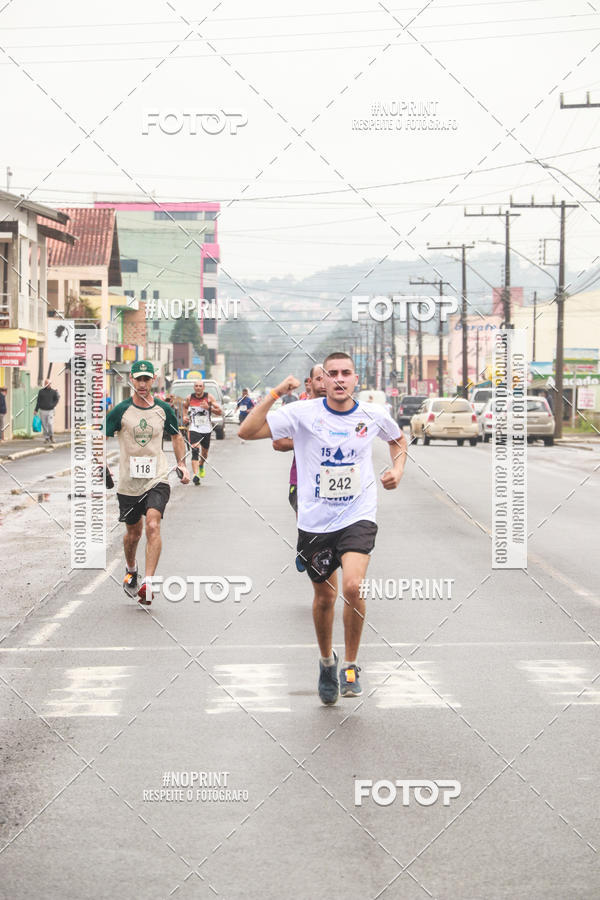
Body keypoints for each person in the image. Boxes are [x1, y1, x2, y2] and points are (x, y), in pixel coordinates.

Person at [239, 352, 407, 705]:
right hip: (315, 520)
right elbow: (247, 431)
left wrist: (397, 469)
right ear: (322, 381)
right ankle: (326, 661)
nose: (339, 379)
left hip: (358, 513)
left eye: (346, 373)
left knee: (353, 586)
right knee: (325, 597)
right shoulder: (302, 413)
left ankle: (351, 665)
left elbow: (398, 439)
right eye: (332, 374)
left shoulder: (373, 414)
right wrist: (276, 392)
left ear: (356, 379)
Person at [104, 360, 190, 606]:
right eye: (138, 379)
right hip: (129, 482)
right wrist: (101, 464)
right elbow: (100, 437)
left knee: (153, 524)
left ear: (154, 380)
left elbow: (176, 436)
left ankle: (148, 583)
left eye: (146, 379)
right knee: (133, 534)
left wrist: (181, 464)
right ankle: (131, 569)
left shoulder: (164, 409)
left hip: (157, 477)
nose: (142, 384)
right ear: (131, 379)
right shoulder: (121, 411)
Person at [183, 379, 223, 485]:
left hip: (206, 429)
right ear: (194, 387)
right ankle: (195, 475)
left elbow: (219, 412)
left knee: (204, 453)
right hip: (194, 428)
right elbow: (185, 407)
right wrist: (184, 416)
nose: (198, 388)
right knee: (195, 449)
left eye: (200, 386)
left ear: (203, 388)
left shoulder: (209, 397)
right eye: (196, 386)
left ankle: (201, 464)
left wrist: (208, 408)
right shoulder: (189, 398)